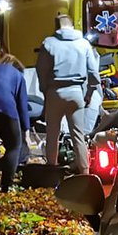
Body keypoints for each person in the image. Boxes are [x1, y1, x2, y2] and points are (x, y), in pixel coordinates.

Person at [38, 12, 101, 173]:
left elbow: (42, 71)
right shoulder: (83, 44)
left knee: (53, 134)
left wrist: (45, 91)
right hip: (76, 93)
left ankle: (52, 170)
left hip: (55, 92)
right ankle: (85, 172)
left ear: (56, 26)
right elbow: (94, 74)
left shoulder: (48, 43)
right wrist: (89, 93)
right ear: (72, 25)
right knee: (78, 135)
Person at [0, 52, 32, 192]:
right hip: (6, 108)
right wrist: (26, 132)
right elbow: (22, 106)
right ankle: (6, 186)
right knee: (14, 146)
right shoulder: (18, 76)